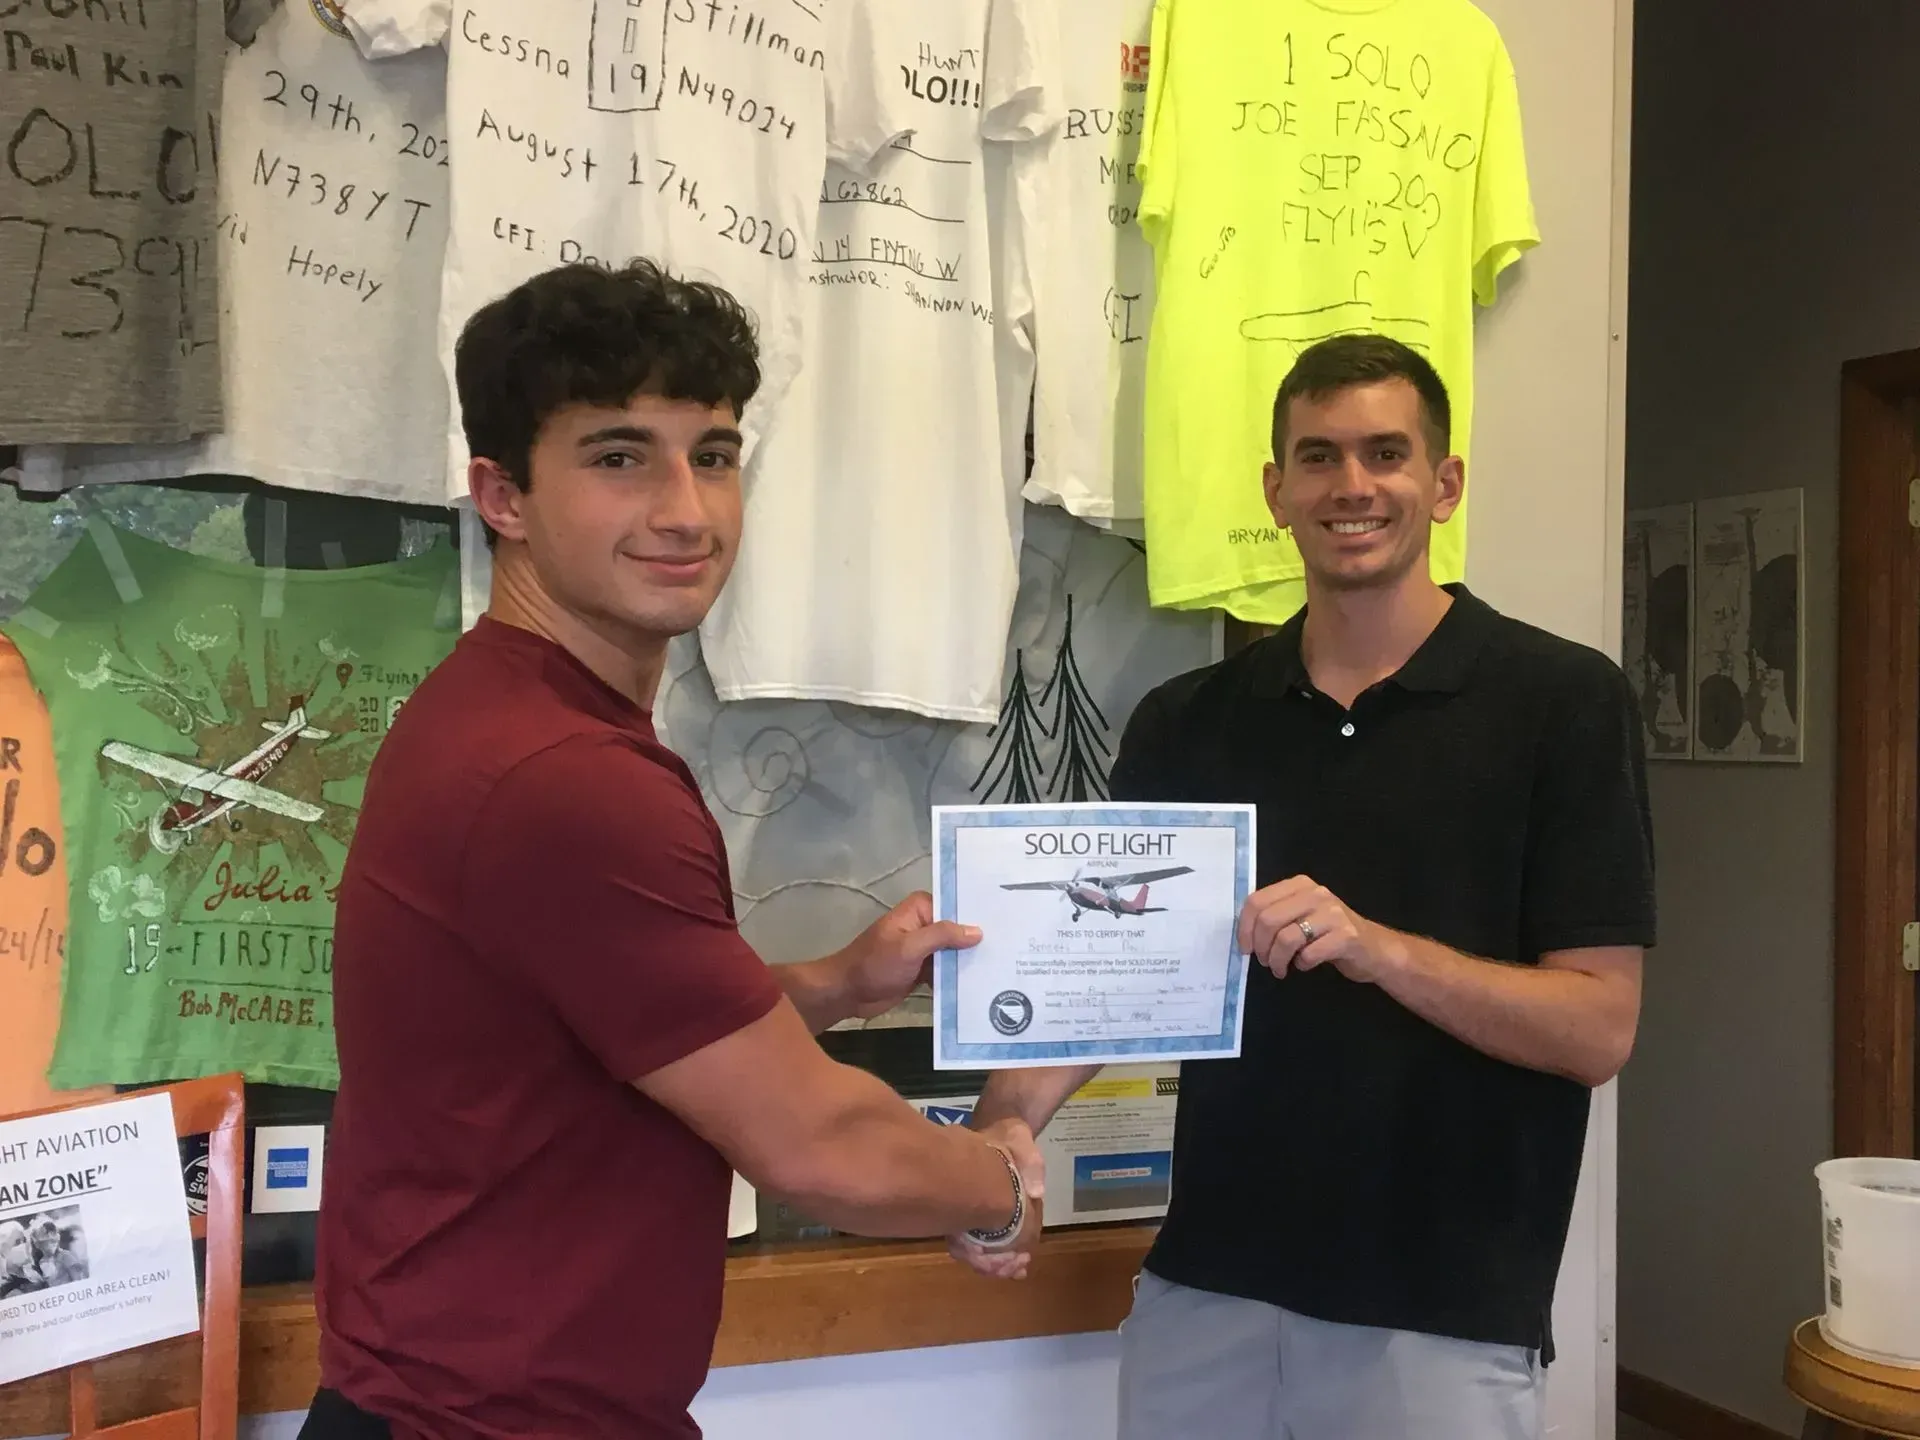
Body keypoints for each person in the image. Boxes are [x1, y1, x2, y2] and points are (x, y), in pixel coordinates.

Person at [306, 259, 1042, 1440]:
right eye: (617, 457)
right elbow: (820, 1148)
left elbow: (625, 1030)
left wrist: (836, 988)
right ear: (502, 495)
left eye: (713, 453)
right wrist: (1001, 1176)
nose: (686, 511)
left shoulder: (516, 716)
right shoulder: (564, 779)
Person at [955, 334, 1655, 1440]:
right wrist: (1006, 1122)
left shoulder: (1562, 704)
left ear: (1445, 482)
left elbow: (1598, 1027)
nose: (1354, 486)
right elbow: (1101, 975)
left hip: (1441, 1317)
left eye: (1387, 452)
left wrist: (1374, 946)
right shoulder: (1188, 721)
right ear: (1277, 493)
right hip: (1208, 1290)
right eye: (1318, 458)